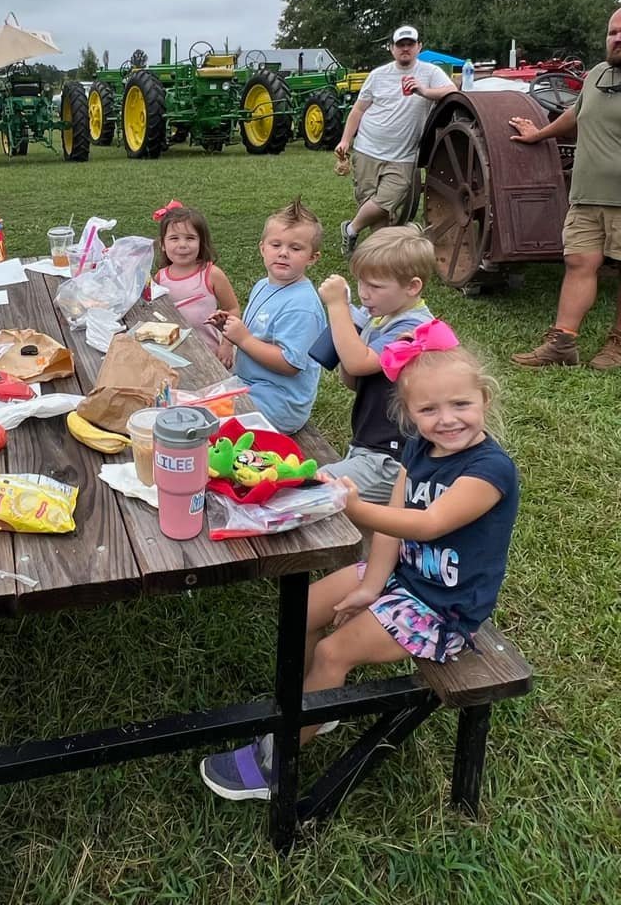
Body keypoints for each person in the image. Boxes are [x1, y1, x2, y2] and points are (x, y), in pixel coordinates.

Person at [199, 327, 519, 800]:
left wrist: (346, 502)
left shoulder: (489, 470)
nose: (447, 420)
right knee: (304, 609)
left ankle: (276, 761)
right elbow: (392, 524)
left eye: (461, 405)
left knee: (334, 652)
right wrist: (372, 583)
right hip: (401, 576)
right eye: (428, 410)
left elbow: (428, 524)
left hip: (444, 608)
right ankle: (314, 705)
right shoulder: (418, 448)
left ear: (484, 400)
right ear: (408, 415)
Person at [509, 8, 621, 370]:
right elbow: (576, 115)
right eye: (612, 32)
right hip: (587, 195)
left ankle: (617, 347)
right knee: (578, 263)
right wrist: (539, 134)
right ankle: (562, 344)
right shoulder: (599, 76)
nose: (617, 39)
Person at [316, 225, 436, 504]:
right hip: (369, 447)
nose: (364, 294)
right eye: (360, 283)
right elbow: (353, 380)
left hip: (393, 460)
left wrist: (337, 308)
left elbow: (358, 363)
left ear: (412, 287)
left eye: (376, 286)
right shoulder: (381, 318)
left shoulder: (414, 328)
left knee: (316, 490)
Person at [335, 26, 455, 257]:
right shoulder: (378, 75)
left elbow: (451, 90)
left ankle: (350, 229)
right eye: (401, 44)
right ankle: (379, 254)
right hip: (368, 148)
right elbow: (358, 110)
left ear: (419, 47)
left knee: (385, 202)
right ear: (392, 49)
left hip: (403, 155)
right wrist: (345, 140)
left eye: (410, 44)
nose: (406, 48)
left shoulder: (430, 73)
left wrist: (424, 91)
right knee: (370, 202)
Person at [210, 198, 325, 433]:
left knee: (204, 426)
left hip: (280, 403)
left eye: (295, 248)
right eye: (276, 245)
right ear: (262, 248)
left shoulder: (302, 305)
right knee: (193, 403)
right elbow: (260, 333)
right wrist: (231, 327)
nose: (283, 253)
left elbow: (290, 364)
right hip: (250, 386)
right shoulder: (263, 285)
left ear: (312, 257)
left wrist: (244, 340)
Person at [151, 200, 240, 364]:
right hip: (172, 357)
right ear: (163, 244)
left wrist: (227, 344)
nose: (182, 245)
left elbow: (232, 309)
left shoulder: (212, 274)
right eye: (174, 238)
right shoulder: (159, 278)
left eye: (190, 238)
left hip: (210, 355)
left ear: (201, 242)